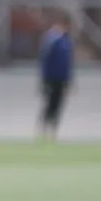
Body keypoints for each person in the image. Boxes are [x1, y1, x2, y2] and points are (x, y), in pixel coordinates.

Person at [38, 14, 74, 142]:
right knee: (49, 105)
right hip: (51, 78)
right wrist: (43, 80)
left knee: (58, 106)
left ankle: (53, 130)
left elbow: (68, 64)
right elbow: (44, 61)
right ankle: (44, 129)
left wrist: (69, 81)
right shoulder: (52, 40)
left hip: (61, 79)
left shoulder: (66, 41)